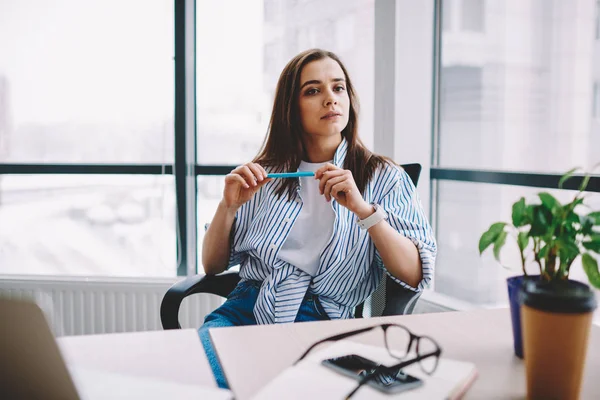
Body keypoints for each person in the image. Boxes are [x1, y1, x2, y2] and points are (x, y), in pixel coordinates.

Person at [199, 48, 437, 388]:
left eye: (338, 88)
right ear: (291, 109)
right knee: (210, 383)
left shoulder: (384, 177)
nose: (330, 99)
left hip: (325, 321)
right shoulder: (266, 174)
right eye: (313, 90)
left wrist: (364, 211)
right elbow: (211, 265)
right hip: (246, 308)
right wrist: (228, 206)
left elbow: (415, 273)